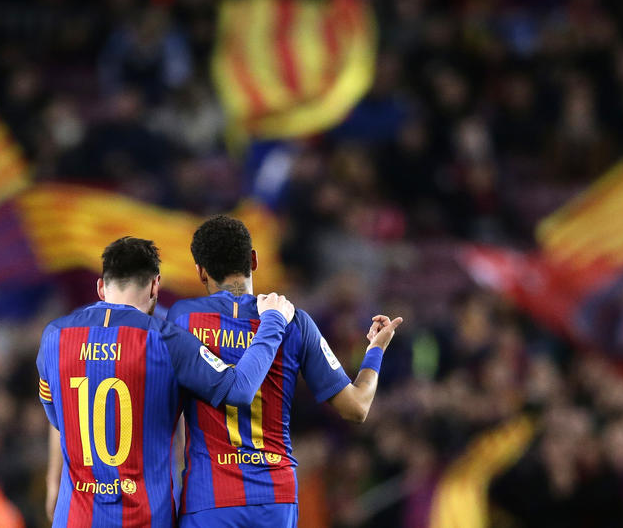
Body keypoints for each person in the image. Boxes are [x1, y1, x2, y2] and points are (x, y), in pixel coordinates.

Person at [36, 237, 296, 527]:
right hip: (144, 519)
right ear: (155, 286)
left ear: (101, 287)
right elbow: (239, 389)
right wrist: (273, 321)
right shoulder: (168, 340)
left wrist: (53, 482)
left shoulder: (53, 337)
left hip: (74, 518)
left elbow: (58, 420)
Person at [167, 215, 403, 527]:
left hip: (209, 498)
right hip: (275, 499)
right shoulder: (295, 321)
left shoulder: (182, 319)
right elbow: (357, 407)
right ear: (253, 260)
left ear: (200, 271)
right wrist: (375, 351)